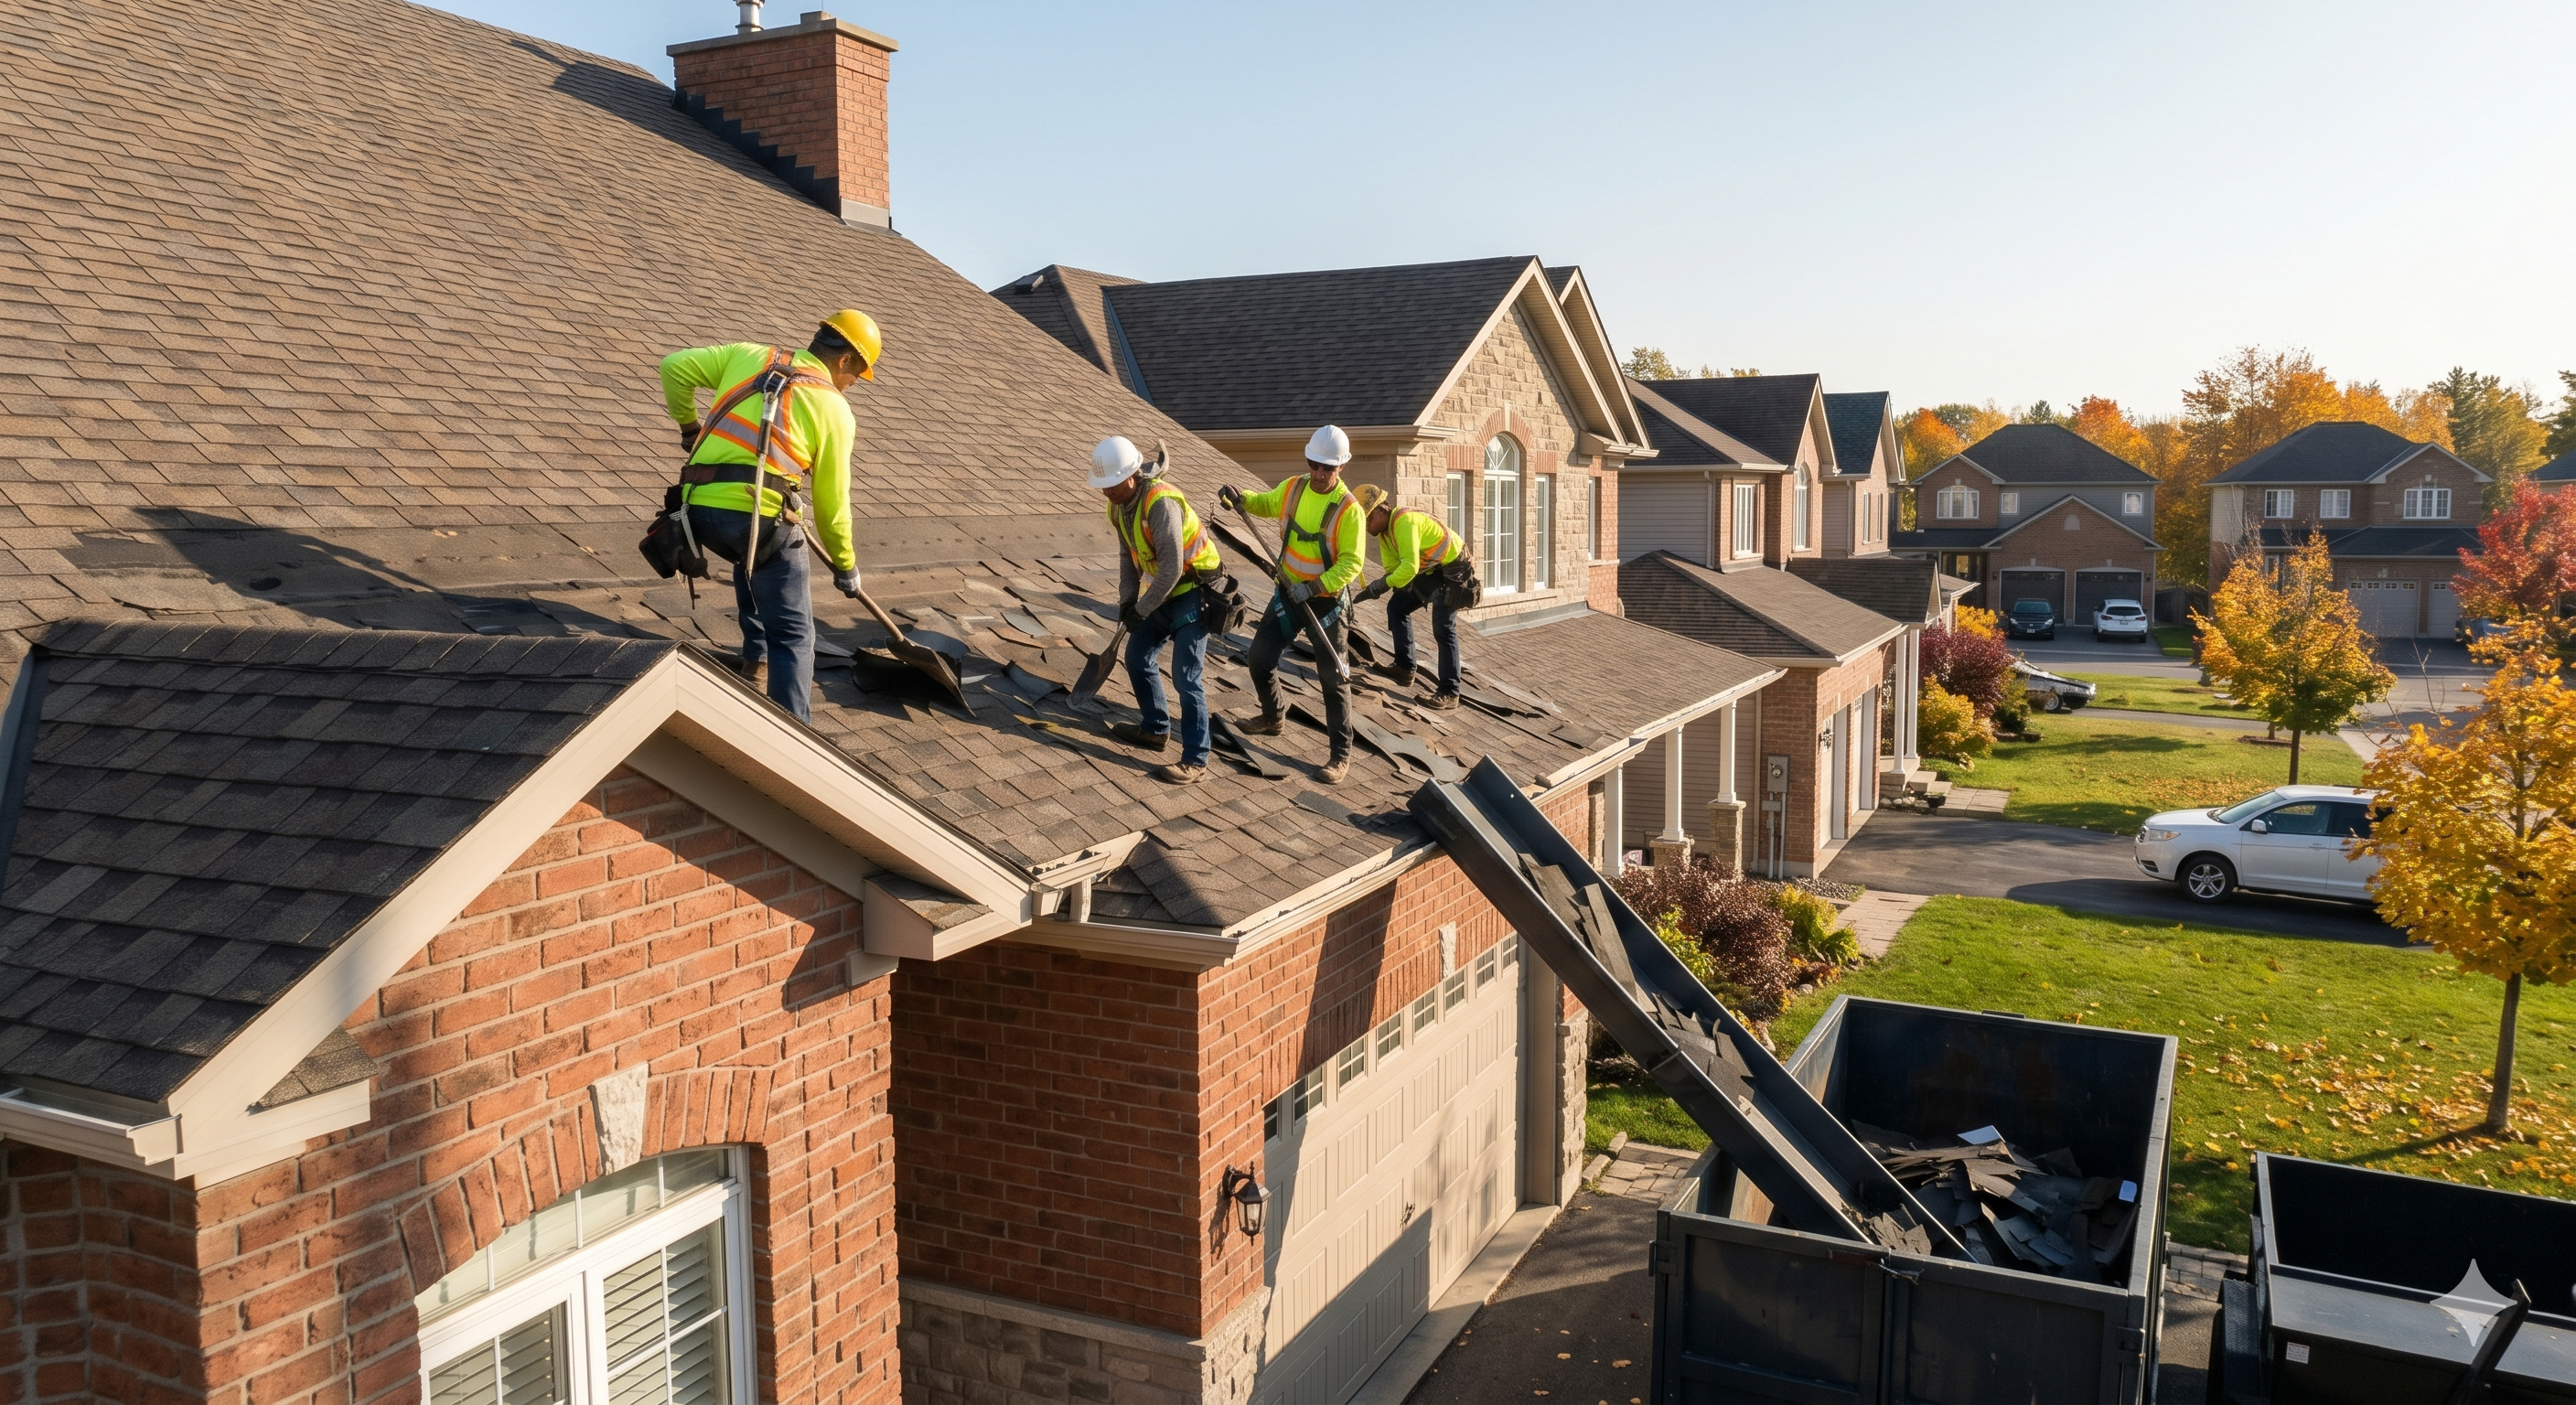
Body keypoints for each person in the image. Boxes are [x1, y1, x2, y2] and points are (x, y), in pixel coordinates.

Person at [658, 311, 879, 722]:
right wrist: (846, 566)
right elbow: (833, 505)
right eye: (858, 374)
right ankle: (796, 734)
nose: (853, 385)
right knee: (794, 634)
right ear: (845, 359)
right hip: (755, 521)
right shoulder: (834, 409)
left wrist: (689, 427)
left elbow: (673, 366)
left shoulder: (748, 355)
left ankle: (755, 661)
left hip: (698, 513)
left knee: (753, 555)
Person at [1218, 424, 1363, 784]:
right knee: (1260, 658)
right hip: (1288, 593)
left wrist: (1314, 588)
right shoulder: (1294, 488)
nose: (1318, 473)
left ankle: (1340, 757)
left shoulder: (1349, 510)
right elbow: (1266, 503)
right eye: (1314, 464)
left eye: (1327, 468)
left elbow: (1352, 564)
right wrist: (1241, 499)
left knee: (1334, 681)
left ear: (1341, 467)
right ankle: (1273, 717)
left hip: (1325, 604)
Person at [1094, 435, 1220, 785]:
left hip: (1194, 592)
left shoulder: (1160, 503)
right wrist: (1126, 600)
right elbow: (1127, 557)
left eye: (1111, 485)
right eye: (1102, 486)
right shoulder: (1117, 507)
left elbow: (1172, 568)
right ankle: (1155, 729)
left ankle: (1195, 759)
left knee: (1185, 676)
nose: (1106, 492)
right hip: (1163, 594)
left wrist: (1142, 608)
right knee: (1136, 656)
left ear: (1131, 476)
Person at [1351, 486, 1467, 708]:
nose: (1365, 528)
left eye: (1366, 521)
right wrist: (1382, 586)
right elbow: (1395, 570)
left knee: (1443, 629)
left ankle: (1450, 692)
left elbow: (1410, 567)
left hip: (1454, 569)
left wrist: (1381, 584)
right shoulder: (1384, 534)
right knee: (1397, 607)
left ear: (1379, 512)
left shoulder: (1404, 522)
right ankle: (1404, 668)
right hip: (1432, 570)